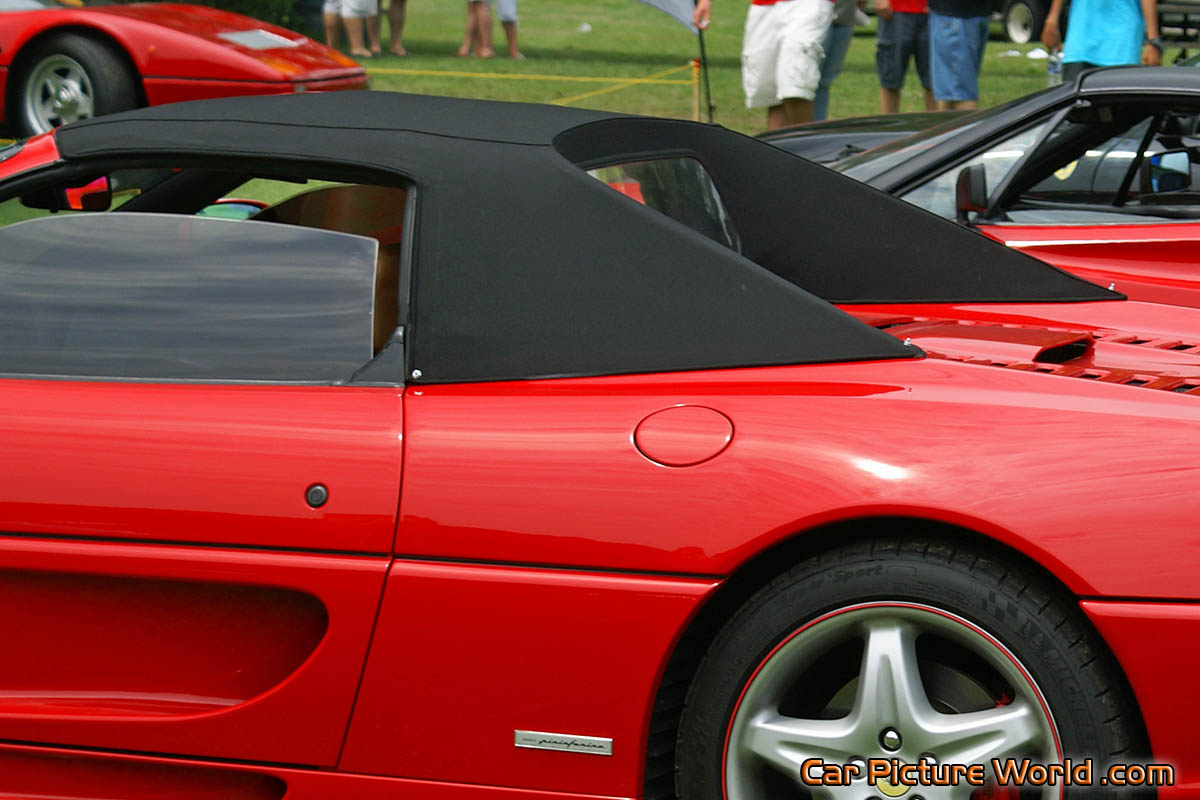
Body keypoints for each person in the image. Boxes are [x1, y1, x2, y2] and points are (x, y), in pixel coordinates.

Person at [693, 0, 836, 130]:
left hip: (809, 5)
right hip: (763, 5)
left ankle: (806, 153)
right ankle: (777, 156)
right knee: (770, 92)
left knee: (794, 84)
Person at [1041, 0, 1161, 80]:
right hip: (1080, 42)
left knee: (1119, 113)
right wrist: (1052, 20)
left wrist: (1152, 41)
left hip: (1121, 45)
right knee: (1075, 112)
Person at [926, 0, 990, 110]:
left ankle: (969, 128)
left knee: (960, 96)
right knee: (950, 94)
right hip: (971, 14)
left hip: (954, 16)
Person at [874, 0, 934, 113]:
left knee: (934, 81)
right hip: (894, 10)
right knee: (891, 79)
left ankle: (937, 129)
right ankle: (890, 128)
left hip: (933, 11)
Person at [813, 0, 860, 121]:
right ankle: (802, 129)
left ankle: (818, 125)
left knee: (825, 80)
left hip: (846, 15)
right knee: (809, 77)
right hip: (816, 15)